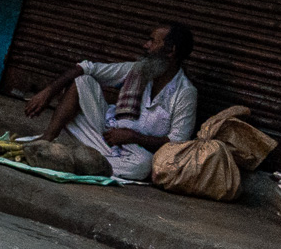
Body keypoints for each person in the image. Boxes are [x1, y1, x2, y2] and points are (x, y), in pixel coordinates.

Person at [18, 25, 199, 181]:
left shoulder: (185, 93)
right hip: (104, 136)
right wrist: (49, 91)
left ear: (170, 51)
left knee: (143, 166)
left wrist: (132, 137)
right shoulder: (138, 70)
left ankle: (74, 160)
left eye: (152, 41)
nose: (146, 46)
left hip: (135, 153)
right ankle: (47, 139)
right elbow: (88, 67)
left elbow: (178, 143)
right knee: (83, 81)